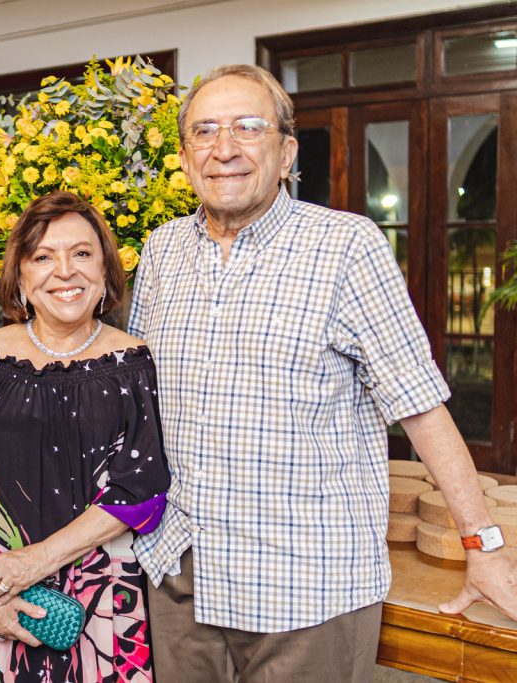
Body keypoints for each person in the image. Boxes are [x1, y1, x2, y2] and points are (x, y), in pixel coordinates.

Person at [130, 63, 517, 682]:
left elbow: (419, 404)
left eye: (246, 128)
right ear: (184, 158)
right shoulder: (162, 250)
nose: (223, 148)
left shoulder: (346, 246)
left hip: (305, 584)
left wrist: (482, 544)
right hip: (183, 574)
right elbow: (138, 398)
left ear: (285, 153)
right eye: (204, 132)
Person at [0, 191, 171, 683]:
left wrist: (33, 562)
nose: (65, 271)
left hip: (104, 596)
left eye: (82, 253)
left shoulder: (134, 363)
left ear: (105, 272)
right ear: (21, 275)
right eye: (43, 256)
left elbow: (141, 492)